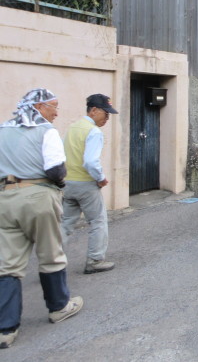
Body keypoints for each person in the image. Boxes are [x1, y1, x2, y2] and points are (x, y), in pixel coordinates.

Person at [0, 88, 83, 350]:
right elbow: (55, 169)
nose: (57, 112)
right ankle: (59, 306)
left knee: (6, 264)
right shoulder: (46, 131)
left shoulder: (2, 129)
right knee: (51, 253)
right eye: (53, 106)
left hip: (5, 197)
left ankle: (6, 328)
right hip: (38, 195)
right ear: (38, 106)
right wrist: (58, 185)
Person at [62, 94, 118, 275]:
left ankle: (51, 261)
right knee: (98, 221)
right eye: (105, 114)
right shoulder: (93, 132)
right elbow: (91, 162)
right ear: (93, 110)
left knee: (65, 224)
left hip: (67, 183)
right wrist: (100, 178)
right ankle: (95, 260)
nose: (107, 118)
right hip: (86, 184)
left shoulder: (72, 128)